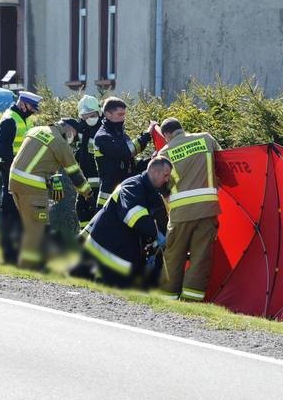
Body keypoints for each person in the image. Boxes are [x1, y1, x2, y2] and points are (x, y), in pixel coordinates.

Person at [9, 119, 92, 270]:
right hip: (32, 186)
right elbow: (74, 172)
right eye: (75, 134)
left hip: (15, 181)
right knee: (38, 228)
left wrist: (48, 181)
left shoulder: (36, 130)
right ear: (69, 129)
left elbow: (35, 160)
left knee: (29, 226)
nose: (73, 139)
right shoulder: (60, 142)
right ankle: (30, 268)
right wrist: (87, 192)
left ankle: (23, 263)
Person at [156, 118, 221, 301]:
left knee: (174, 256)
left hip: (180, 214)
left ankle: (168, 296)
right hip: (207, 209)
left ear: (167, 135)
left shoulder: (165, 152)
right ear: (181, 129)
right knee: (201, 257)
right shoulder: (206, 139)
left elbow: (158, 181)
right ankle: (191, 300)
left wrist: (167, 198)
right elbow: (224, 163)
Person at [83, 157, 172, 287]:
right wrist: (157, 233)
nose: (167, 179)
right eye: (166, 175)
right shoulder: (132, 186)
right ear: (154, 171)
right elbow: (134, 217)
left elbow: (160, 218)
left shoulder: (151, 192)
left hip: (119, 250)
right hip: (106, 249)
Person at [0, 91, 42, 265]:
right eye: (31, 107)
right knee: (10, 211)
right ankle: (8, 254)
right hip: (11, 172)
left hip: (24, 172)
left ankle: (19, 251)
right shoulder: (9, 119)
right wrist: (14, 170)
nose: (33, 112)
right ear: (22, 104)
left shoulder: (25, 119)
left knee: (20, 212)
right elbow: (3, 150)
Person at [93, 97, 154, 208]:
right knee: (106, 225)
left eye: (124, 114)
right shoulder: (102, 137)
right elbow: (125, 152)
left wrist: (152, 160)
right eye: (120, 114)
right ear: (107, 114)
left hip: (125, 190)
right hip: (109, 196)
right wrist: (146, 136)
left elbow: (131, 162)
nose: (123, 118)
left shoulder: (121, 135)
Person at [71, 95, 102, 230]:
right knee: (82, 215)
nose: (89, 118)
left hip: (100, 187)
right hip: (83, 186)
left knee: (99, 220)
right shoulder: (81, 130)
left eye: (92, 115)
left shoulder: (104, 131)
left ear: (99, 113)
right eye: (85, 116)